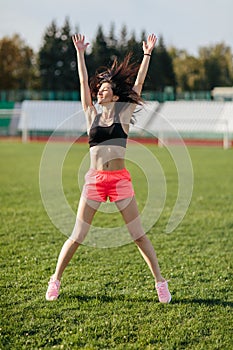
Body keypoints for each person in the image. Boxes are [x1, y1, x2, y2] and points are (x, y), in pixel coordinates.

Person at [46, 33, 171, 303]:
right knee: (78, 236)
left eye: (105, 89)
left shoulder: (123, 115)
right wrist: (79, 53)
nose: (100, 91)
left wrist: (147, 53)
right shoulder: (90, 114)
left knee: (138, 236)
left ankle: (160, 282)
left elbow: (137, 84)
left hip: (120, 181)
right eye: (99, 90)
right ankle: (55, 280)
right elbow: (82, 80)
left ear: (115, 96)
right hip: (94, 180)